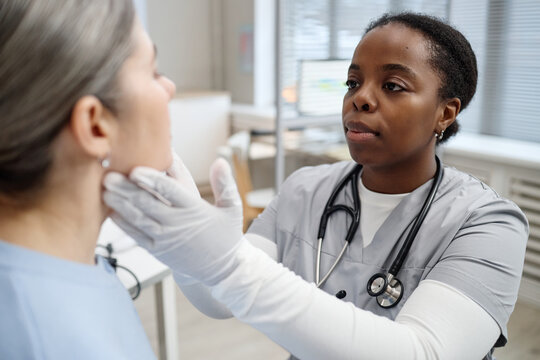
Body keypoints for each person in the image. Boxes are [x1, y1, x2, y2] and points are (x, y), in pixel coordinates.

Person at [104, 12, 529, 360]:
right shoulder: (305, 190)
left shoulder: (489, 224)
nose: (360, 98)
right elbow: (217, 302)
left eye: (393, 86)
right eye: (353, 82)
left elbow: (422, 353)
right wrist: (183, 252)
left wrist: (230, 265)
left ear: (445, 113)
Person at [0, 0, 179, 358]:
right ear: (95, 126)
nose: (169, 87)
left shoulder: (65, 265)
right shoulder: (46, 339)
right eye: (154, 71)